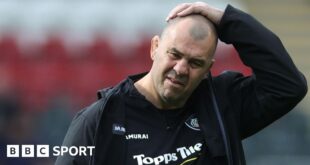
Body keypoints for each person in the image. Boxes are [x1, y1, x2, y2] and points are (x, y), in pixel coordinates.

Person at [55, 2, 307, 165]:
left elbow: (288, 85)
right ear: (155, 48)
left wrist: (228, 21)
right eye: (174, 54)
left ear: (208, 68)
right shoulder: (100, 121)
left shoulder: (222, 104)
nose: (180, 69)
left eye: (195, 63)